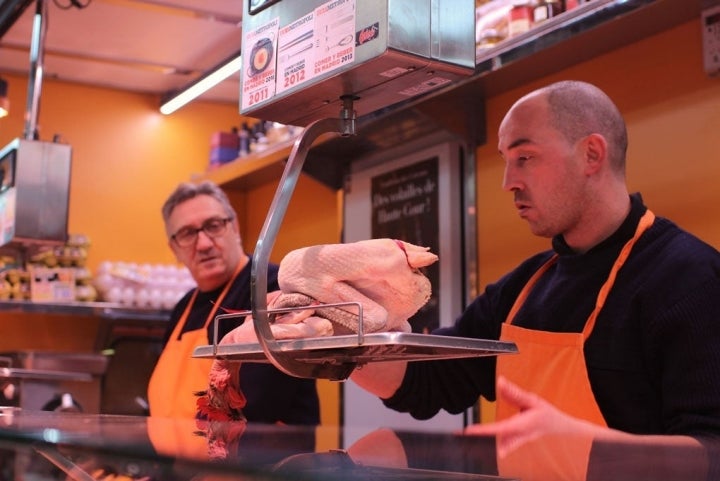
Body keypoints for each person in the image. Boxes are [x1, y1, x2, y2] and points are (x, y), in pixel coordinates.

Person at [349, 80, 720, 447]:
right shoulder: (524, 288)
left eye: (524, 158)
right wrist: (336, 347)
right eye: (505, 162)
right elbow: (433, 376)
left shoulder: (691, 280)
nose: (509, 182)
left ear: (592, 154)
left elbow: (712, 451)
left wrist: (586, 448)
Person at [147, 180, 320, 424]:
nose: (204, 244)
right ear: (174, 248)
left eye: (214, 226)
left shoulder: (273, 288)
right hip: (182, 461)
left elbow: (255, 403)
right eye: (187, 233)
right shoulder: (183, 308)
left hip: (263, 461)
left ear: (235, 227)